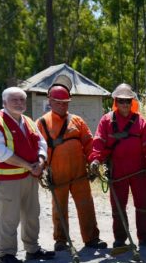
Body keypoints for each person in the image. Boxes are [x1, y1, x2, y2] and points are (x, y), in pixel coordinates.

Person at [0, 87, 55, 263]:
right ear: (4, 103)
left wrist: (40, 160)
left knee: (32, 215)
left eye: (22, 100)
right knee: (8, 218)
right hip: (6, 181)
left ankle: (32, 249)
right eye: (14, 100)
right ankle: (6, 254)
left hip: (29, 177)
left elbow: (41, 142)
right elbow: (0, 153)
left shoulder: (28, 121)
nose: (19, 103)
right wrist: (31, 166)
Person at [36, 83, 106, 251]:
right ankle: (61, 240)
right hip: (57, 173)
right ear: (50, 102)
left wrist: (94, 161)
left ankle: (91, 238)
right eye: (59, 102)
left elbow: (90, 144)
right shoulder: (42, 123)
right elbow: (40, 148)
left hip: (79, 173)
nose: (62, 105)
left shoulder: (77, 121)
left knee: (86, 205)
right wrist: (42, 170)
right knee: (59, 207)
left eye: (65, 102)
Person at [89, 83, 146, 247]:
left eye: (127, 101)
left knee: (143, 205)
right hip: (117, 171)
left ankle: (144, 237)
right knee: (118, 207)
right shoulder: (106, 121)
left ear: (132, 102)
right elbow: (99, 142)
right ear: (115, 102)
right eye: (121, 101)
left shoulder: (140, 121)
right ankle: (120, 239)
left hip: (139, 171)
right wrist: (95, 160)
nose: (124, 104)